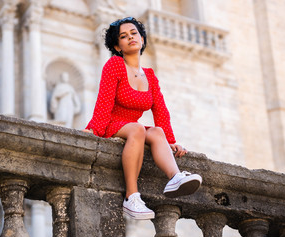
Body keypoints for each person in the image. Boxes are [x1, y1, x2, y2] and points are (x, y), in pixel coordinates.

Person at [83, 17, 202, 220]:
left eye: (134, 33)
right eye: (123, 36)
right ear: (117, 46)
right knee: (137, 129)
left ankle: (174, 177)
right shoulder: (114, 65)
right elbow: (104, 102)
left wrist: (171, 141)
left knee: (157, 132)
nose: (130, 37)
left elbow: (161, 110)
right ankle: (132, 197)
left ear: (142, 38)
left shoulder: (149, 75)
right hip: (113, 122)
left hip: (131, 125)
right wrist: (94, 129)